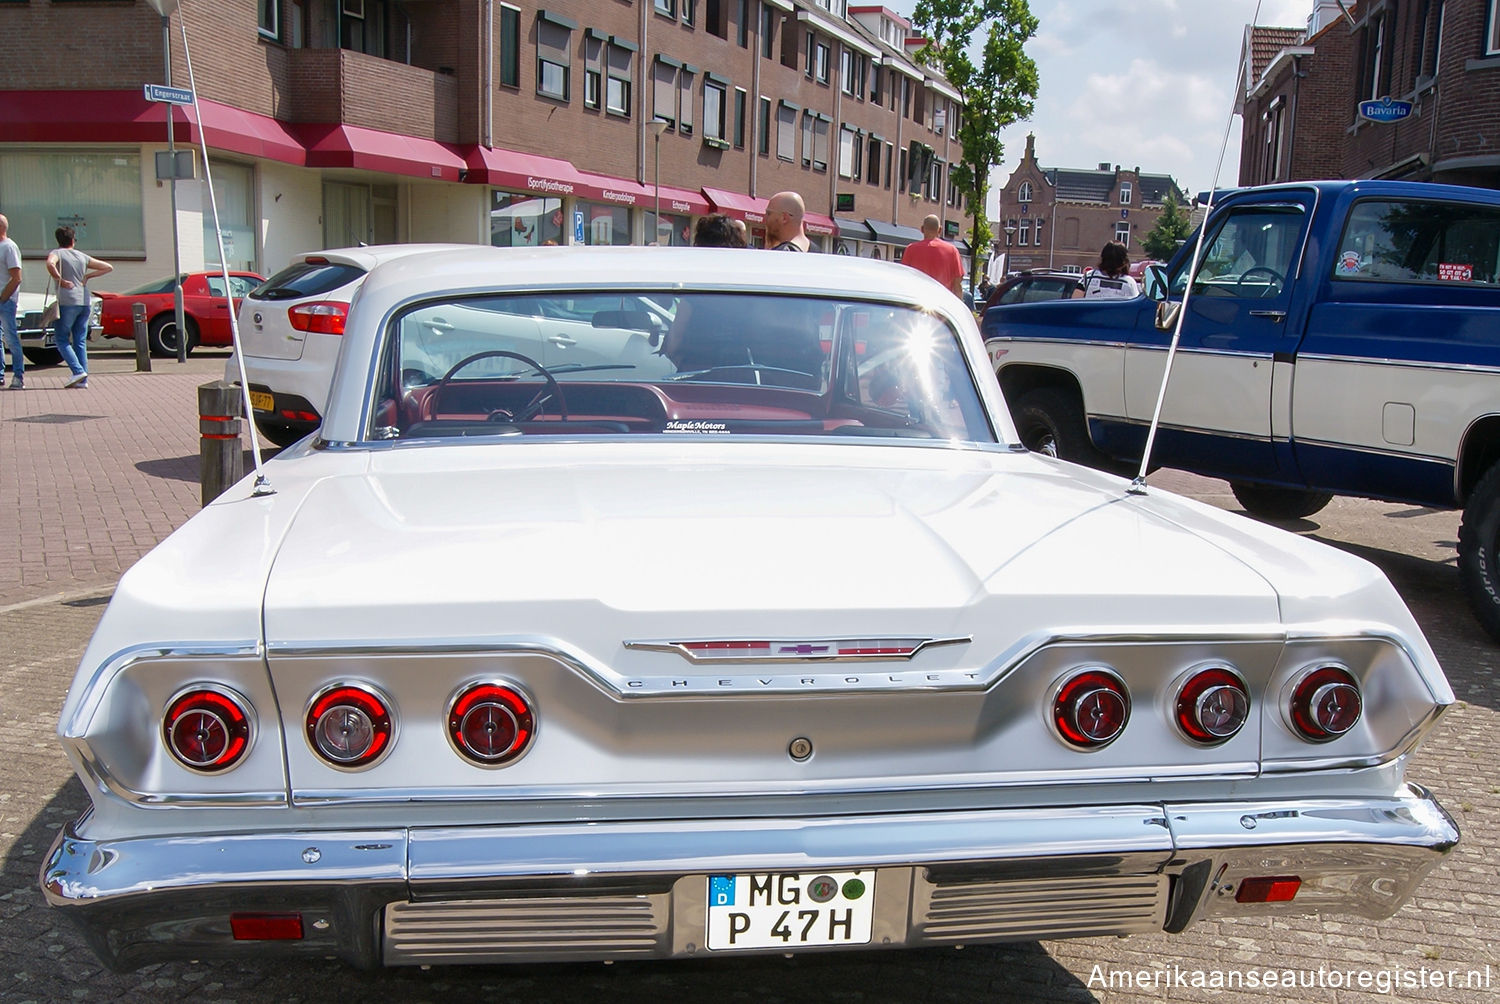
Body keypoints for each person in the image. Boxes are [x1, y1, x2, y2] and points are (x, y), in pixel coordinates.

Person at [46, 225, 112, 388]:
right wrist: (88, 276)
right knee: (80, 340)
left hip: (67, 301)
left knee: (61, 339)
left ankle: (77, 371)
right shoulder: (82, 256)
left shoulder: (57, 253)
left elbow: (50, 264)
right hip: (84, 300)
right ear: (73, 240)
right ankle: (83, 380)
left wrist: (59, 280)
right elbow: (108, 267)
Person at [899, 214, 964, 297]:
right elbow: (957, 285)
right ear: (940, 230)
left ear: (922, 229)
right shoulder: (952, 251)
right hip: (943, 304)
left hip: (917, 302)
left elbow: (905, 279)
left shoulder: (911, 249)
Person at [0, 215, 20, 389]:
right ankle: (0, 376)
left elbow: (16, 278)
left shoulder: (9, 247)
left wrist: (3, 298)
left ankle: (18, 377)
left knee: (11, 338)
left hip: (6, 301)